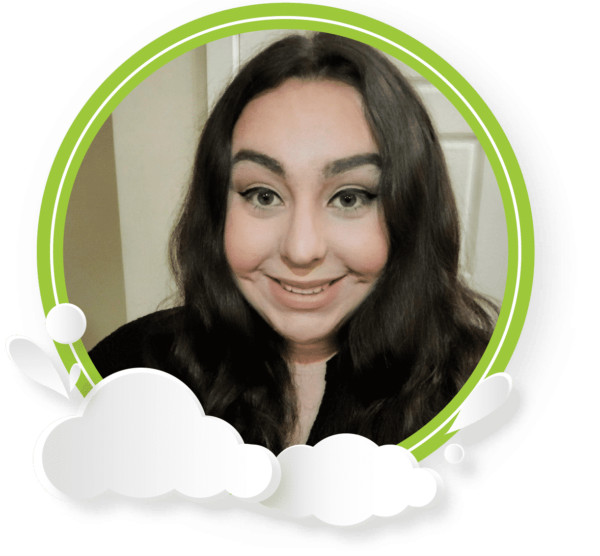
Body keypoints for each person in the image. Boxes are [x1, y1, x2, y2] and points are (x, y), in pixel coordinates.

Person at [89, 32, 498, 455]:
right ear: (216, 209)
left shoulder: (480, 391)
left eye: (350, 197)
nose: (301, 251)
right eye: (263, 195)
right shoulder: (127, 372)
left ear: (410, 213)